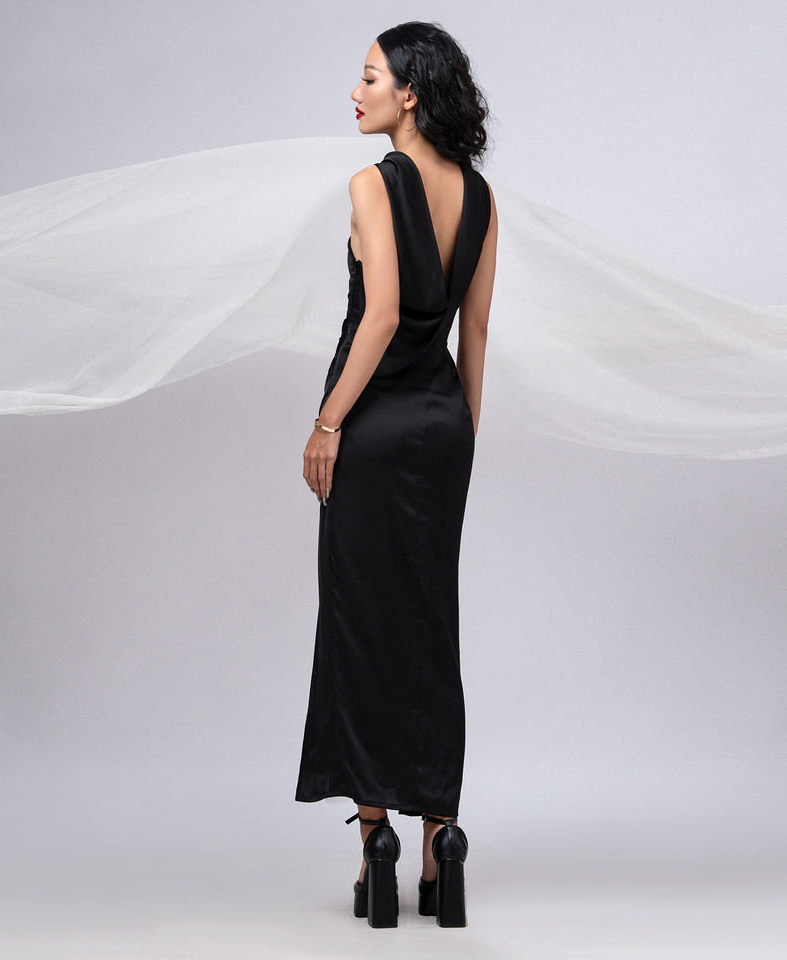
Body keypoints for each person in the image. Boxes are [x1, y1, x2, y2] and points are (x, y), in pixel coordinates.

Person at [294, 22, 498, 928]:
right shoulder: (481, 196)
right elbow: (475, 330)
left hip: (373, 427)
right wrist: (463, 430)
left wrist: (327, 422)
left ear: (410, 93)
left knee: (363, 623)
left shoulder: (373, 184)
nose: (356, 91)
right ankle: (442, 845)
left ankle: (375, 841)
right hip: (443, 425)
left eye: (370, 76)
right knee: (430, 626)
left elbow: (379, 317)